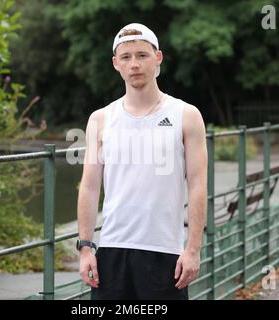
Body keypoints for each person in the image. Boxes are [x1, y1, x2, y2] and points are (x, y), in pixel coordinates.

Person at [77, 23, 208, 300]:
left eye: (142, 55)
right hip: (111, 252)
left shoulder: (186, 115)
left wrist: (193, 249)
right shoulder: (100, 119)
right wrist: (86, 248)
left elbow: (197, 185)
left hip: (166, 253)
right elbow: (89, 187)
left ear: (157, 57)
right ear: (116, 64)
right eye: (126, 57)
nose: (134, 64)